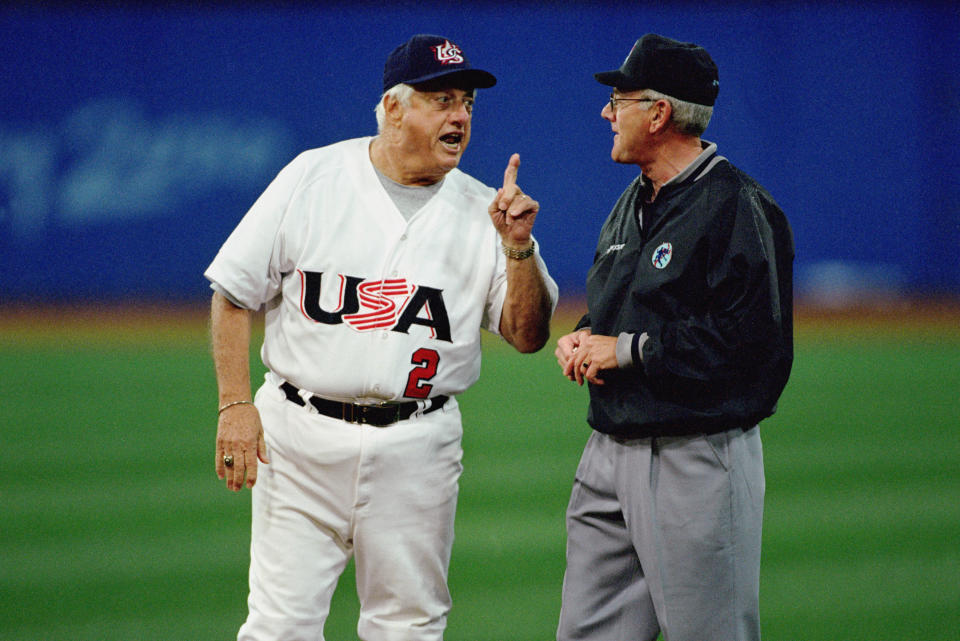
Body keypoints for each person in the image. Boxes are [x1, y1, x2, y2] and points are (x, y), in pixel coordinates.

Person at [205, 34, 558, 641]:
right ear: (393, 107)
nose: (460, 116)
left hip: (417, 447)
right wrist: (235, 404)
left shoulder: (487, 212)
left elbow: (527, 336)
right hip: (299, 437)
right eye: (441, 99)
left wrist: (518, 247)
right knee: (278, 627)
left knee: (408, 629)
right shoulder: (314, 177)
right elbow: (234, 292)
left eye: (468, 103)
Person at [554, 33, 794, 641]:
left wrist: (628, 350)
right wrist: (587, 339)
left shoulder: (734, 205)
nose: (606, 112)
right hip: (608, 449)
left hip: (694, 455)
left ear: (658, 113)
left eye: (619, 99)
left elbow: (751, 346)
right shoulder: (632, 200)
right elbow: (626, 310)